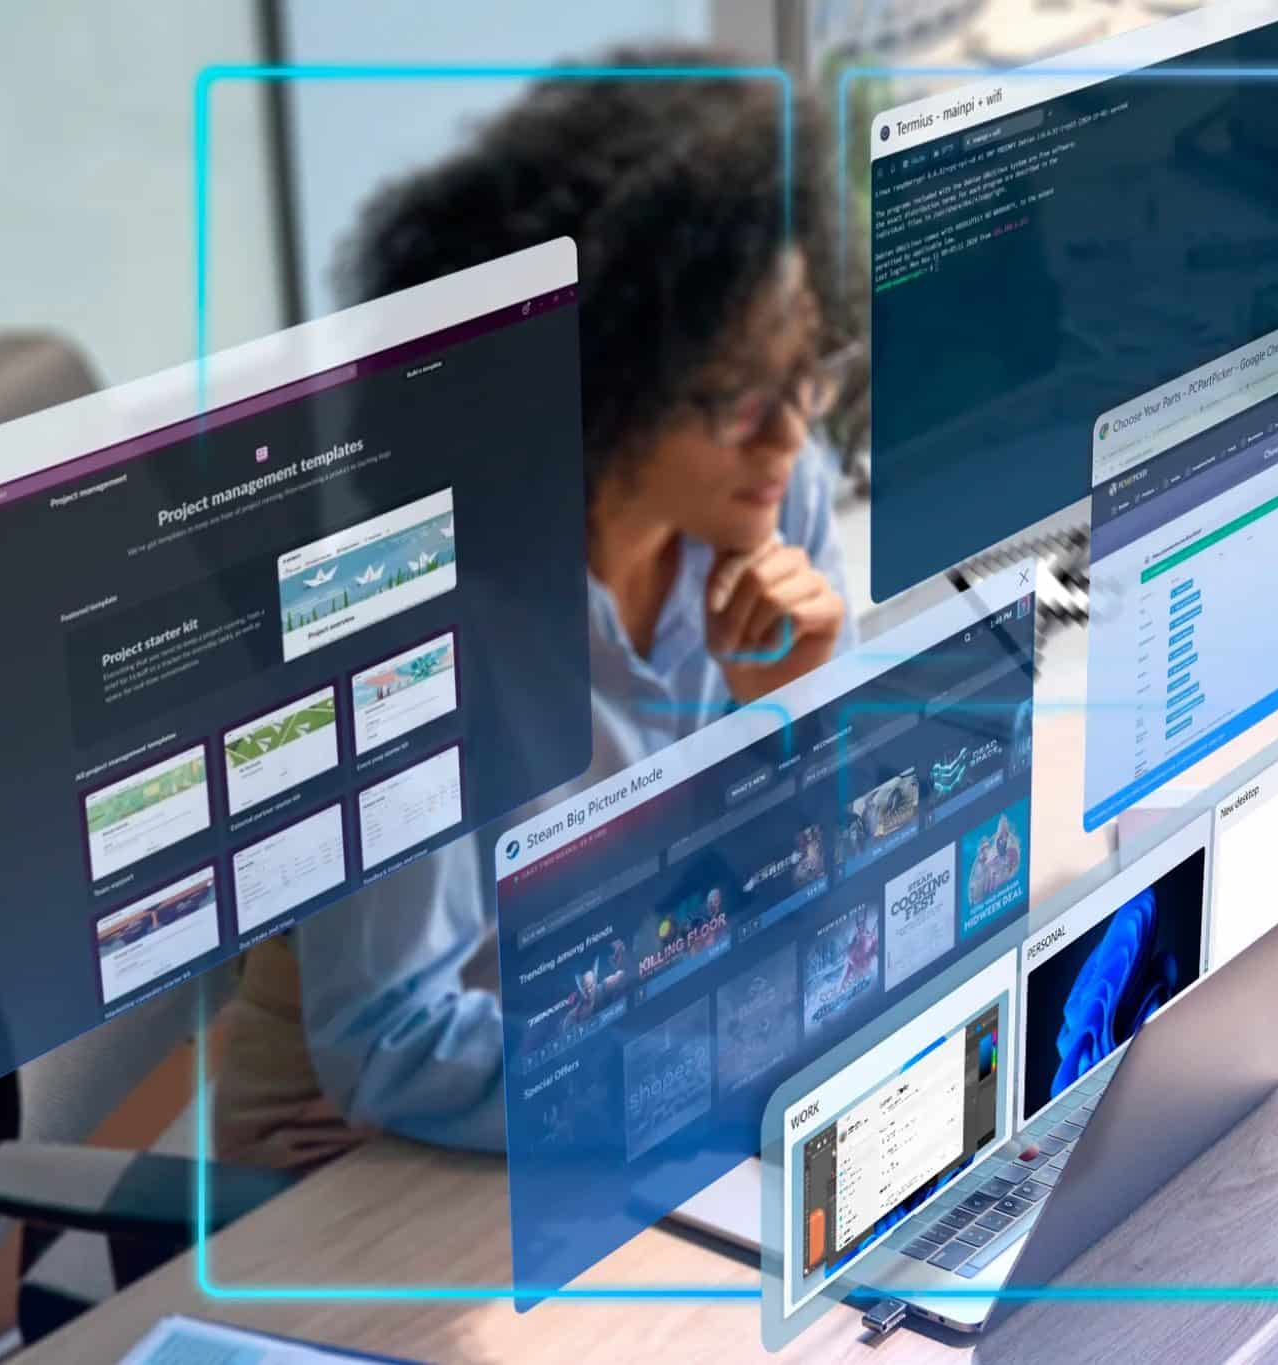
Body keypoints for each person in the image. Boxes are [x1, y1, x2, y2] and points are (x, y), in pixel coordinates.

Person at [214, 48, 859, 1169]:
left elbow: (790, 889)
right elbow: (389, 1044)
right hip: (375, 1147)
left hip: (618, 1049)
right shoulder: (405, 620)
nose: (790, 433)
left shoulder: (768, 497)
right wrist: (704, 1065)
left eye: (807, 370)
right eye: (733, 396)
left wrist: (792, 720)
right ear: (595, 384)